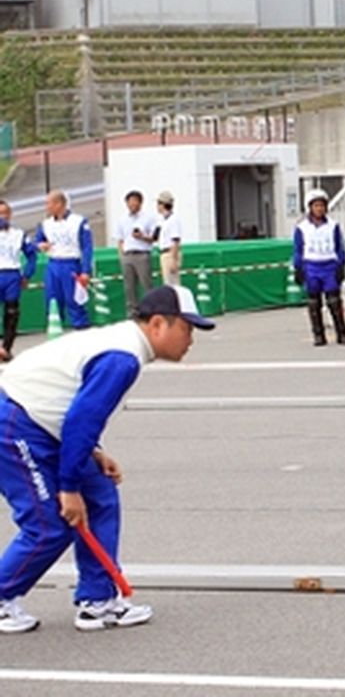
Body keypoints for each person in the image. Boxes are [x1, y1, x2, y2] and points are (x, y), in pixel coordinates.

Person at [0, 285, 214, 634]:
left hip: (37, 418)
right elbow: (82, 419)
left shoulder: (124, 346)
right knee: (48, 525)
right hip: (15, 422)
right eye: (187, 329)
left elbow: (74, 406)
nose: (190, 339)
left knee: (99, 494)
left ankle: (97, 601)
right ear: (159, 324)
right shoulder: (122, 357)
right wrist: (68, 487)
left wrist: (94, 453)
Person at [293, 188, 345, 347]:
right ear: (309, 207)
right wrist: (298, 268)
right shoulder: (302, 227)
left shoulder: (333, 226)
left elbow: (340, 246)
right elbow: (298, 249)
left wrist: (341, 265)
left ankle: (342, 333)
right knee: (313, 302)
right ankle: (318, 335)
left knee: (334, 301)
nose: (319, 209)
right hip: (311, 265)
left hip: (329, 265)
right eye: (316, 206)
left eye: (322, 205)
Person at [34, 190, 92, 331]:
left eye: (49, 203)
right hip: (53, 264)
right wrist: (40, 245)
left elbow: (87, 247)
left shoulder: (78, 222)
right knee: (52, 300)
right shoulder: (45, 224)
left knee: (74, 301)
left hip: (71, 263)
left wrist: (85, 271)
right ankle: (55, 329)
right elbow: (37, 242)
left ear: (59, 204)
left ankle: (81, 330)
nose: (47, 206)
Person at [0, 200, 37, 361]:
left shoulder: (18, 234)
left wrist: (27, 275)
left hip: (11, 274)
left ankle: (6, 347)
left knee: (12, 312)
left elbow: (31, 255)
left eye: (5, 213)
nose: (3, 217)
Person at [113, 190, 156, 317]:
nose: (132, 204)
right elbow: (120, 240)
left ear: (140, 203)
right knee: (129, 286)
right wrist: (121, 255)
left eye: (134, 202)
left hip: (142, 253)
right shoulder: (122, 219)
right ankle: (132, 311)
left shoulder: (148, 218)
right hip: (127, 254)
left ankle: (150, 309)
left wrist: (142, 237)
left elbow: (154, 237)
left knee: (146, 283)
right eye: (129, 202)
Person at [154, 191, 182, 286]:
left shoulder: (173, 220)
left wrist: (173, 259)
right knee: (167, 282)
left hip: (170, 253)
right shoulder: (162, 220)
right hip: (164, 253)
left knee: (172, 283)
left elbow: (175, 240)